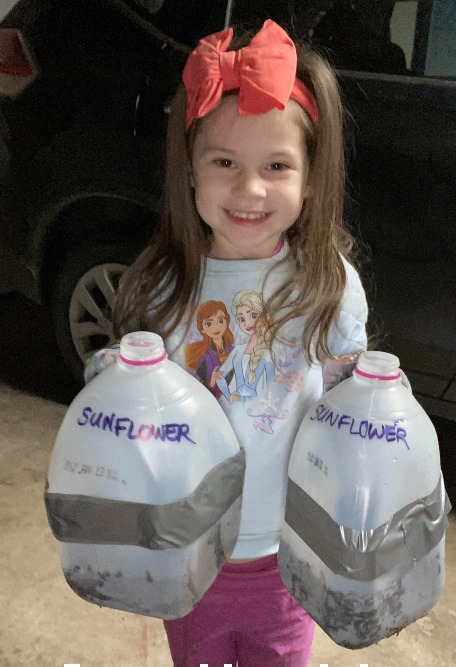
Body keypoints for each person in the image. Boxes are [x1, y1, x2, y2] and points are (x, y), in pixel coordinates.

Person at [104, 19, 368, 667]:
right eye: (224, 162)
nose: (250, 189)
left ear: (310, 178)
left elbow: (351, 412)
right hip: (188, 555)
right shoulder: (161, 290)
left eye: (276, 165)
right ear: (189, 171)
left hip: (287, 559)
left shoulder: (328, 284)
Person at [184, 299, 235, 398]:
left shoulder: (233, 351)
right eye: (209, 324)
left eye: (220, 321)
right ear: (202, 329)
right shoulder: (205, 358)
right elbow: (200, 389)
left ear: (226, 321)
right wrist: (212, 382)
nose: (216, 327)